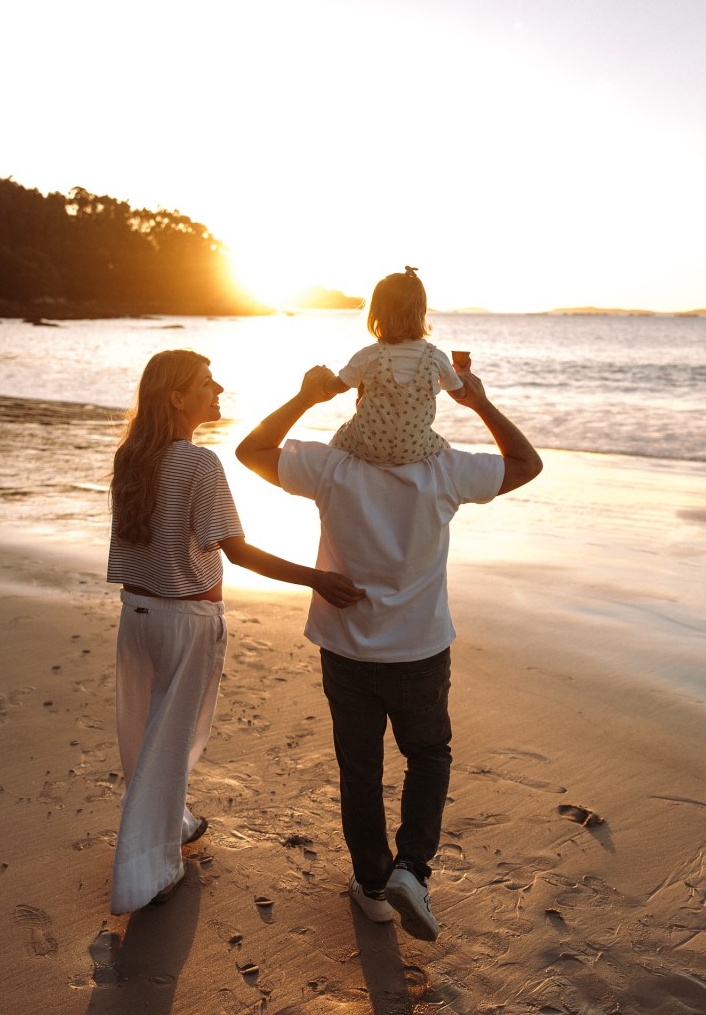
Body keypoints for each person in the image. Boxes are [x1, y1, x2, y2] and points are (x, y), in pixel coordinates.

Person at [235, 361, 542, 941]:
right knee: (428, 756)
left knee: (360, 768)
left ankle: (373, 887)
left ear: (362, 392)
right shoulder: (445, 470)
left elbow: (251, 450)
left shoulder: (330, 466)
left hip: (345, 647)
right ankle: (411, 869)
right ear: (428, 396)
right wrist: (477, 403)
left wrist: (305, 397)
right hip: (419, 649)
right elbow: (527, 464)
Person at [107, 349, 364, 915]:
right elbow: (237, 551)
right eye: (205, 383)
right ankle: (148, 871)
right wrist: (316, 577)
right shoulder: (199, 465)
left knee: (145, 735)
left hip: (136, 617)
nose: (217, 388)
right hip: (184, 621)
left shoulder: (131, 456)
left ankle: (178, 821)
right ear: (177, 397)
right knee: (171, 744)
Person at [322, 267, 468, 466]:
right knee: (445, 450)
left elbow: (339, 386)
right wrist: (462, 374)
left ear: (377, 314)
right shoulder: (437, 358)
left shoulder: (369, 355)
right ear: (422, 312)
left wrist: (325, 380)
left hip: (365, 445)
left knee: (338, 442)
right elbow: (460, 394)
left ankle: (335, 475)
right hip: (415, 450)